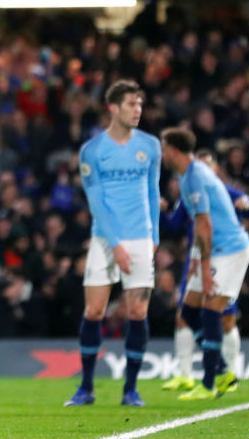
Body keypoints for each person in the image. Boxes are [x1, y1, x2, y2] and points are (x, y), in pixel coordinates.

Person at [65, 80, 161, 407]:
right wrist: (116, 245)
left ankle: (130, 390)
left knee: (137, 309)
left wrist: (155, 238)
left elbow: (152, 192)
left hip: (140, 237)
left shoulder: (150, 146)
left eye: (140, 104)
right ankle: (86, 387)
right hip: (106, 239)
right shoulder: (92, 151)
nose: (138, 110)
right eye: (132, 104)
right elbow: (96, 202)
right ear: (113, 108)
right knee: (94, 310)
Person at [160, 128, 249, 400]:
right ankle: (222, 370)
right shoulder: (189, 175)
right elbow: (199, 227)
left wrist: (206, 267)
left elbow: (205, 224)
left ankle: (210, 383)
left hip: (229, 250)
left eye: (164, 148)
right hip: (211, 251)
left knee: (212, 313)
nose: (161, 154)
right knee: (188, 313)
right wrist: (197, 263)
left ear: (174, 150)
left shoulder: (196, 176)